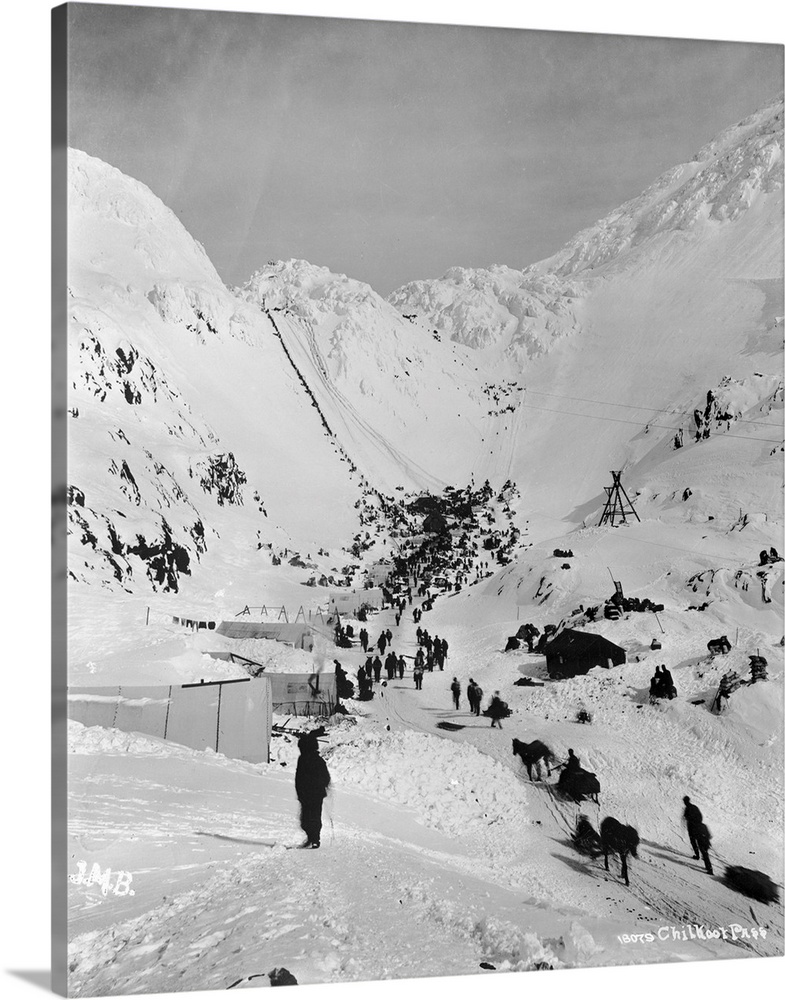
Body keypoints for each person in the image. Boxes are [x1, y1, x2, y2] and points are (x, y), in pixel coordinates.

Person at [295, 732, 331, 849]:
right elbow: (326, 778)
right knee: (310, 818)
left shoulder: (312, 760)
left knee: (309, 818)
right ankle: (312, 838)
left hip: (312, 794)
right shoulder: (308, 759)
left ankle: (315, 839)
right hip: (309, 794)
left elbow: (299, 777)